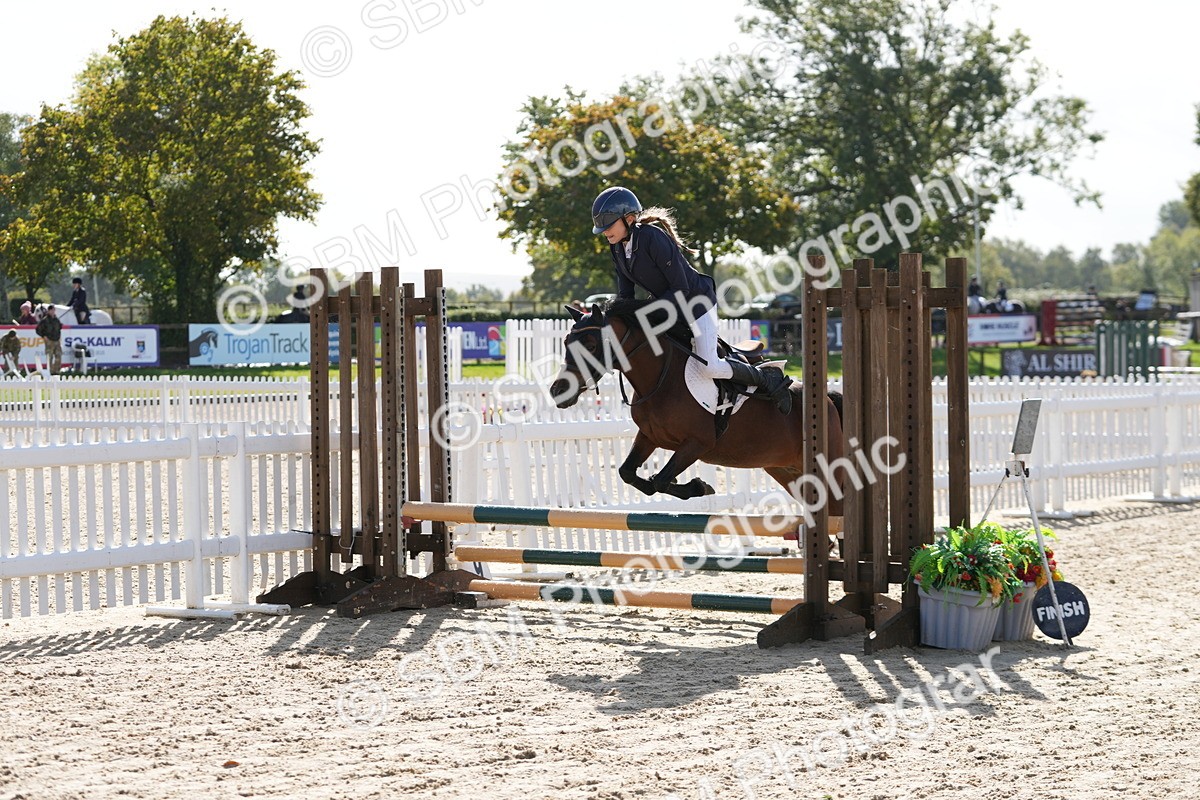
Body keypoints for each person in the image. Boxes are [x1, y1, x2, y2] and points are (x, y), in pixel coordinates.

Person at [590, 186, 792, 413]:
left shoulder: (652, 238)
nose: (604, 232)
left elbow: (680, 287)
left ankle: (767, 378)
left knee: (709, 366)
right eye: (602, 227)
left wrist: (648, 310)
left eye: (609, 225)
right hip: (669, 307)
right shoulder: (617, 248)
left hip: (696, 303)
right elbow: (626, 296)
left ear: (629, 219)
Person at [35, 304, 62, 375]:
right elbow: (38, 329)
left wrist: (59, 338)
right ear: (49, 311)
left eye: (54, 310)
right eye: (52, 310)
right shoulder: (45, 320)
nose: (53, 311)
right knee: (49, 357)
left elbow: (59, 328)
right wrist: (44, 336)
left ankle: (56, 371)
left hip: (57, 340)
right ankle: (50, 371)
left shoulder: (56, 320)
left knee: (58, 356)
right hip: (49, 340)